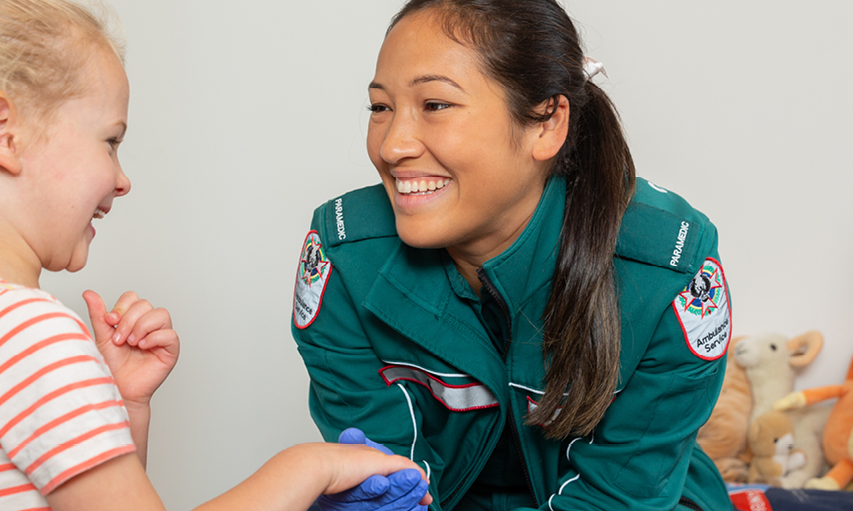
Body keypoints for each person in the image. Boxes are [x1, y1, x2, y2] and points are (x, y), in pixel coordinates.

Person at [0, 0, 433, 509]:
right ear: (3, 134)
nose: (121, 179)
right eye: (110, 141)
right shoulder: (25, 332)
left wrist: (122, 406)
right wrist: (306, 469)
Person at [290, 1, 735, 510]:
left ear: (546, 122)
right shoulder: (344, 256)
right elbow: (390, 478)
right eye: (380, 108)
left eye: (435, 105)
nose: (392, 147)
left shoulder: (669, 268)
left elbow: (622, 494)